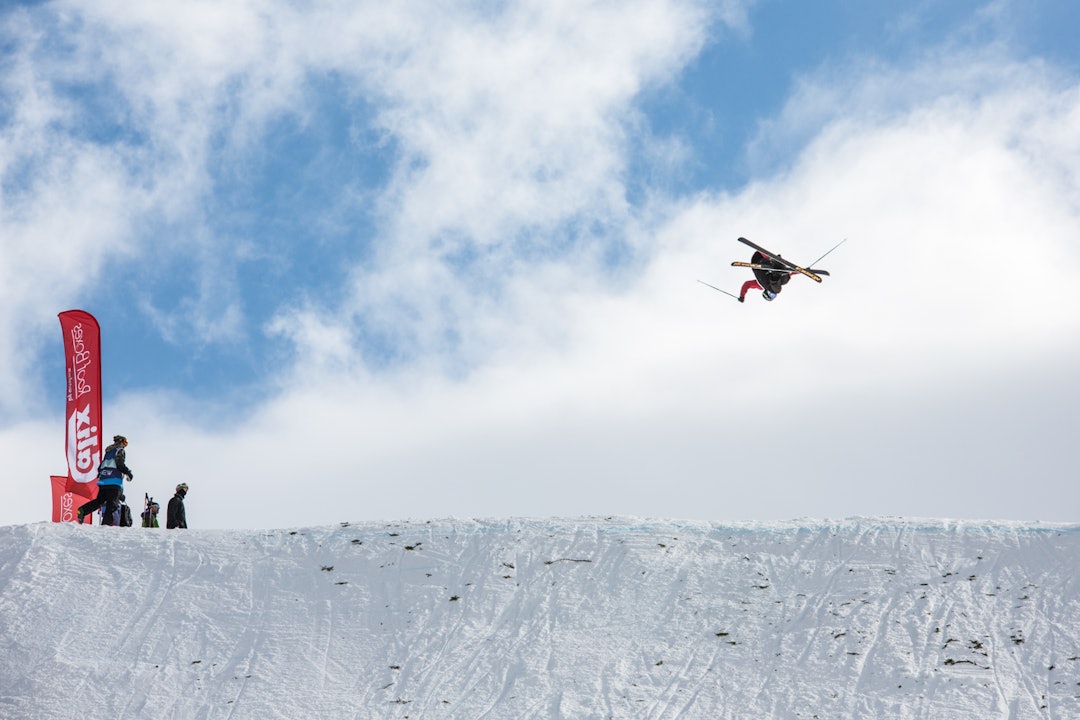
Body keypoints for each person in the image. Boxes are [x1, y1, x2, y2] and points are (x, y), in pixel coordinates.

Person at [77, 435, 134, 525]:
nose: (125, 445)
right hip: (114, 481)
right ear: (121, 442)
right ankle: (105, 526)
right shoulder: (120, 451)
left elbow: (100, 467)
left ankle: (83, 510)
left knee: (100, 501)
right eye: (125, 443)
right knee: (112, 505)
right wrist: (128, 473)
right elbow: (120, 464)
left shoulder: (108, 452)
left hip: (103, 481)